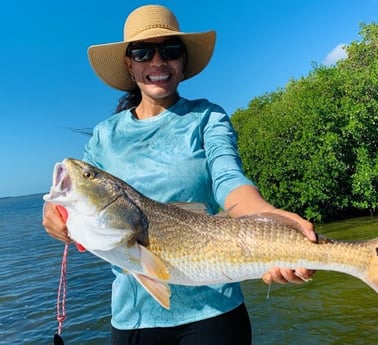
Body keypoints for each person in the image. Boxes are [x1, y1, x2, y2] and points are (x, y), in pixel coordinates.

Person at [42, 4, 316, 345]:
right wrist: (54, 215)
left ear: (183, 61)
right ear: (129, 63)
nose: (157, 62)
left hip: (215, 314)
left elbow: (229, 180)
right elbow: (75, 200)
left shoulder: (207, 117)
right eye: (143, 52)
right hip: (134, 319)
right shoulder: (104, 136)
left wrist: (268, 216)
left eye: (170, 50)